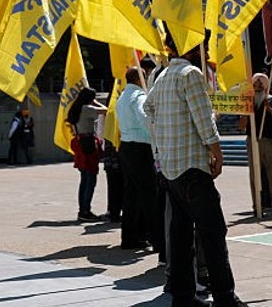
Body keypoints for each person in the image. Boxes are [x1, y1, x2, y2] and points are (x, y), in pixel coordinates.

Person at [144, 41, 247, 307]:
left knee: (180, 238)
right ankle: (225, 297)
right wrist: (217, 152)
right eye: (203, 48)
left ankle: (183, 297)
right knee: (213, 233)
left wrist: (161, 144)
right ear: (192, 49)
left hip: (171, 169)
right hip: (192, 168)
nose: (207, 55)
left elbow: (148, 109)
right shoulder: (190, 74)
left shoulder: (163, 75)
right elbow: (204, 120)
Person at [115, 66, 165, 256]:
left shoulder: (122, 96)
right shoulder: (139, 96)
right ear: (139, 79)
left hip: (126, 146)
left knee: (131, 195)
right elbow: (145, 118)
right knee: (150, 194)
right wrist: (157, 129)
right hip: (140, 146)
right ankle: (158, 240)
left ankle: (129, 237)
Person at [241, 72, 272, 217]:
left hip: (268, 141)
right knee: (254, 175)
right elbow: (241, 125)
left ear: (266, 85)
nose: (258, 86)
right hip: (252, 141)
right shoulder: (248, 102)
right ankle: (257, 204)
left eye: (261, 83)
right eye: (255, 83)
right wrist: (244, 115)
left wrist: (270, 111)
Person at [67, 87, 108, 221]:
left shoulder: (76, 108)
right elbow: (106, 110)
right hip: (88, 143)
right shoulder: (87, 108)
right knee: (90, 179)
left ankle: (82, 210)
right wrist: (96, 102)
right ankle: (86, 211)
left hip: (80, 142)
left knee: (84, 179)